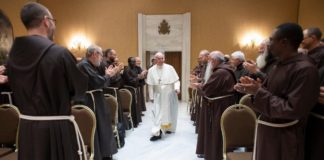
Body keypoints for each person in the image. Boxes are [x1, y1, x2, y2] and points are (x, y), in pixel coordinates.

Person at [7, 2, 88, 160]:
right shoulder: (60, 53)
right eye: (53, 21)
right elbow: (79, 89)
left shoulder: (12, 57)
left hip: (26, 129)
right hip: (56, 130)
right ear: (46, 21)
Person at [234, 23, 319, 160]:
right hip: (269, 131)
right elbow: (270, 93)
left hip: (284, 137)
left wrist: (258, 92)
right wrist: (251, 89)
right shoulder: (278, 65)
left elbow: (293, 109)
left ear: (284, 42)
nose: (269, 44)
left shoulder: (305, 70)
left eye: (272, 40)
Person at [192, 51, 236, 160]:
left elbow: (208, 90)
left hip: (219, 107)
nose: (209, 62)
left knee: (216, 131)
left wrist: (199, 87)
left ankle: (215, 154)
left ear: (214, 60)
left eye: (210, 60)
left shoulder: (220, 72)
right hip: (222, 104)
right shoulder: (225, 69)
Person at [77, 45, 118, 160]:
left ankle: (104, 153)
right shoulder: (84, 65)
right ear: (94, 54)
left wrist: (108, 75)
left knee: (102, 127)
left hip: (96, 100)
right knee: (97, 127)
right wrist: (108, 75)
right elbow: (97, 82)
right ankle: (99, 155)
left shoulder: (90, 65)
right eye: (101, 55)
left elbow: (102, 82)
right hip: (90, 101)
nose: (102, 58)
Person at [146, 52, 180, 141]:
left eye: (162, 58)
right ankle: (157, 132)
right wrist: (151, 96)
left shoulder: (170, 68)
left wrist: (177, 88)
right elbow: (150, 85)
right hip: (158, 95)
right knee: (157, 114)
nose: (161, 60)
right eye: (159, 58)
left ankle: (169, 128)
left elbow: (176, 80)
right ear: (155, 59)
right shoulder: (151, 70)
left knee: (170, 111)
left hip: (169, 93)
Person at [302, 27, 324, 160]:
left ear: (313, 38)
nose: (301, 40)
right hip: (310, 112)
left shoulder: (320, 57)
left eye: (303, 37)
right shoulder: (309, 56)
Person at [122, 57, 143, 127]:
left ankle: (136, 121)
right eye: (132, 62)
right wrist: (138, 77)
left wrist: (140, 76)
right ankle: (132, 123)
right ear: (129, 62)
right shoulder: (127, 69)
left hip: (135, 89)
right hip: (130, 90)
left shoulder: (134, 68)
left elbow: (136, 76)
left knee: (136, 105)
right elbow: (130, 80)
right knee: (132, 106)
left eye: (134, 62)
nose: (134, 63)